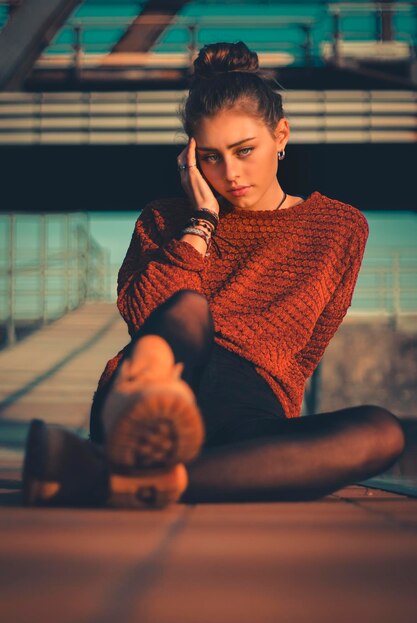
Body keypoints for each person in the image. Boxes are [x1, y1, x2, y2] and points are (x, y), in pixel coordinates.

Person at [22, 41, 405, 509]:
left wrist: (280, 436)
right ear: (190, 158)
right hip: (158, 390)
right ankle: (139, 460)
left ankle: (108, 475)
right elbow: (146, 316)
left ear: (281, 136)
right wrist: (203, 219)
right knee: (187, 310)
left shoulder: (339, 228)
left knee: (382, 432)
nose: (230, 173)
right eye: (210, 157)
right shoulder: (163, 220)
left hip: (248, 410)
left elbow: (305, 353)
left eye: (245, 151)